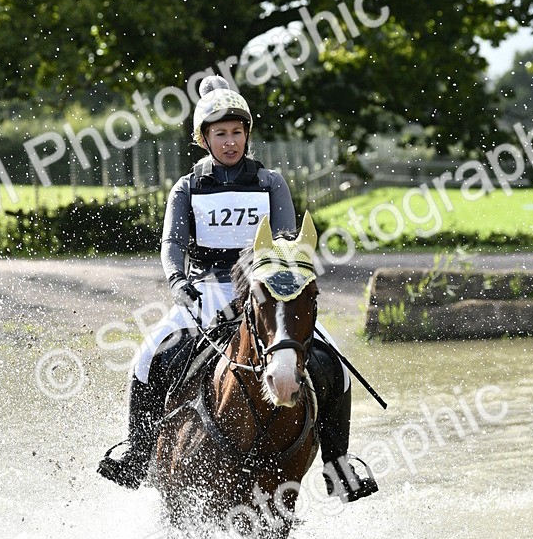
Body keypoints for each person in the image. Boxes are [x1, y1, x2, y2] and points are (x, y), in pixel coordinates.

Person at [97, 76, 377, 502]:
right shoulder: (188, 187)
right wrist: (179, 284)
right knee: (148, 355)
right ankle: (137, 454)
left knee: (331, 361)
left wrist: (286, 285)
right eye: (220, 134)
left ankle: (337, 465)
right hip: (208, 289)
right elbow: (172, 243)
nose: (230, 142)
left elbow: (285, 238)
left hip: (266, 291)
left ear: (247, 134)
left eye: (237, 133)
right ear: (205, 139)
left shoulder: (270, 182)